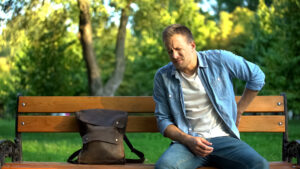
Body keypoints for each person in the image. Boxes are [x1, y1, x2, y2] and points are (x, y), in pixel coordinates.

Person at [153, 24, 269, 169]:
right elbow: (163, 120)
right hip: (187, 144)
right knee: (164, 167)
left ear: (192, 45)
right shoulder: (162, 76)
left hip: (224, 139)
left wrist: (239, 109)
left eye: (178, 49)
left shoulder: (219, 59)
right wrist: (188, 140)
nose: (174, 56)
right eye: (170, 51)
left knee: (259, 165)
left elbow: (257, 76)